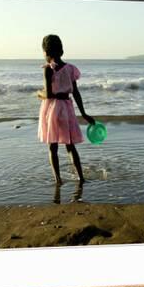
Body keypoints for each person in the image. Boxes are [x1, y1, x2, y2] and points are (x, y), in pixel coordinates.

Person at [37, 34, 95, 185]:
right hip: (67, 108)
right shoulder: (70, 69)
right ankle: (81, 178)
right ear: (61, 51)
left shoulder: (48, 69)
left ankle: (58, 179)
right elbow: (75, 92)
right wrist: (84, 113)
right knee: (70, 146)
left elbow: (49, 94)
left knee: (53, 146)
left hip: (52, 109)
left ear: (46, 52)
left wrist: (39, 93)